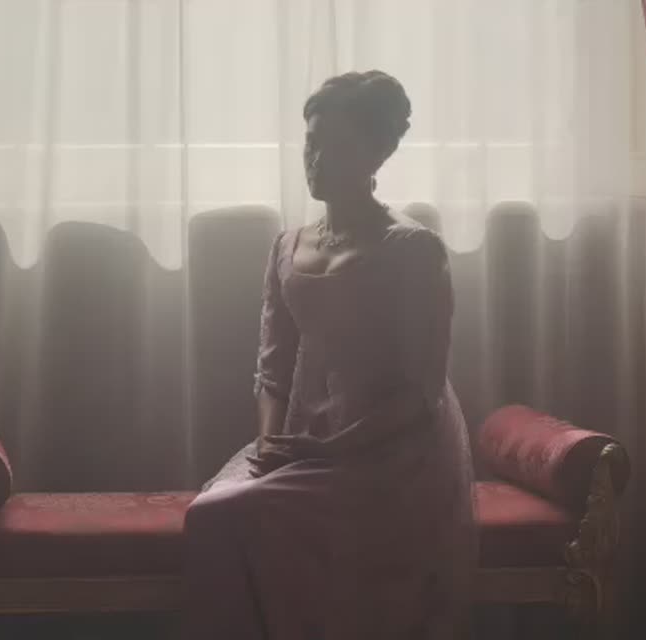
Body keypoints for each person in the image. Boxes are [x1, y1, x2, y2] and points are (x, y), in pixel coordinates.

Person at [182, 70, 477, 640]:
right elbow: (272, 368)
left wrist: (333, 448)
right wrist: (271, 444)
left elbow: (422, 393)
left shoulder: (412, 250)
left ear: (375, 154)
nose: (315, 160)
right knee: (213, 516)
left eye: (334, 146)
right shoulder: (287, 246)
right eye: (310, 143)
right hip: (304, 439)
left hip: (391, 453)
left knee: (224, 517)